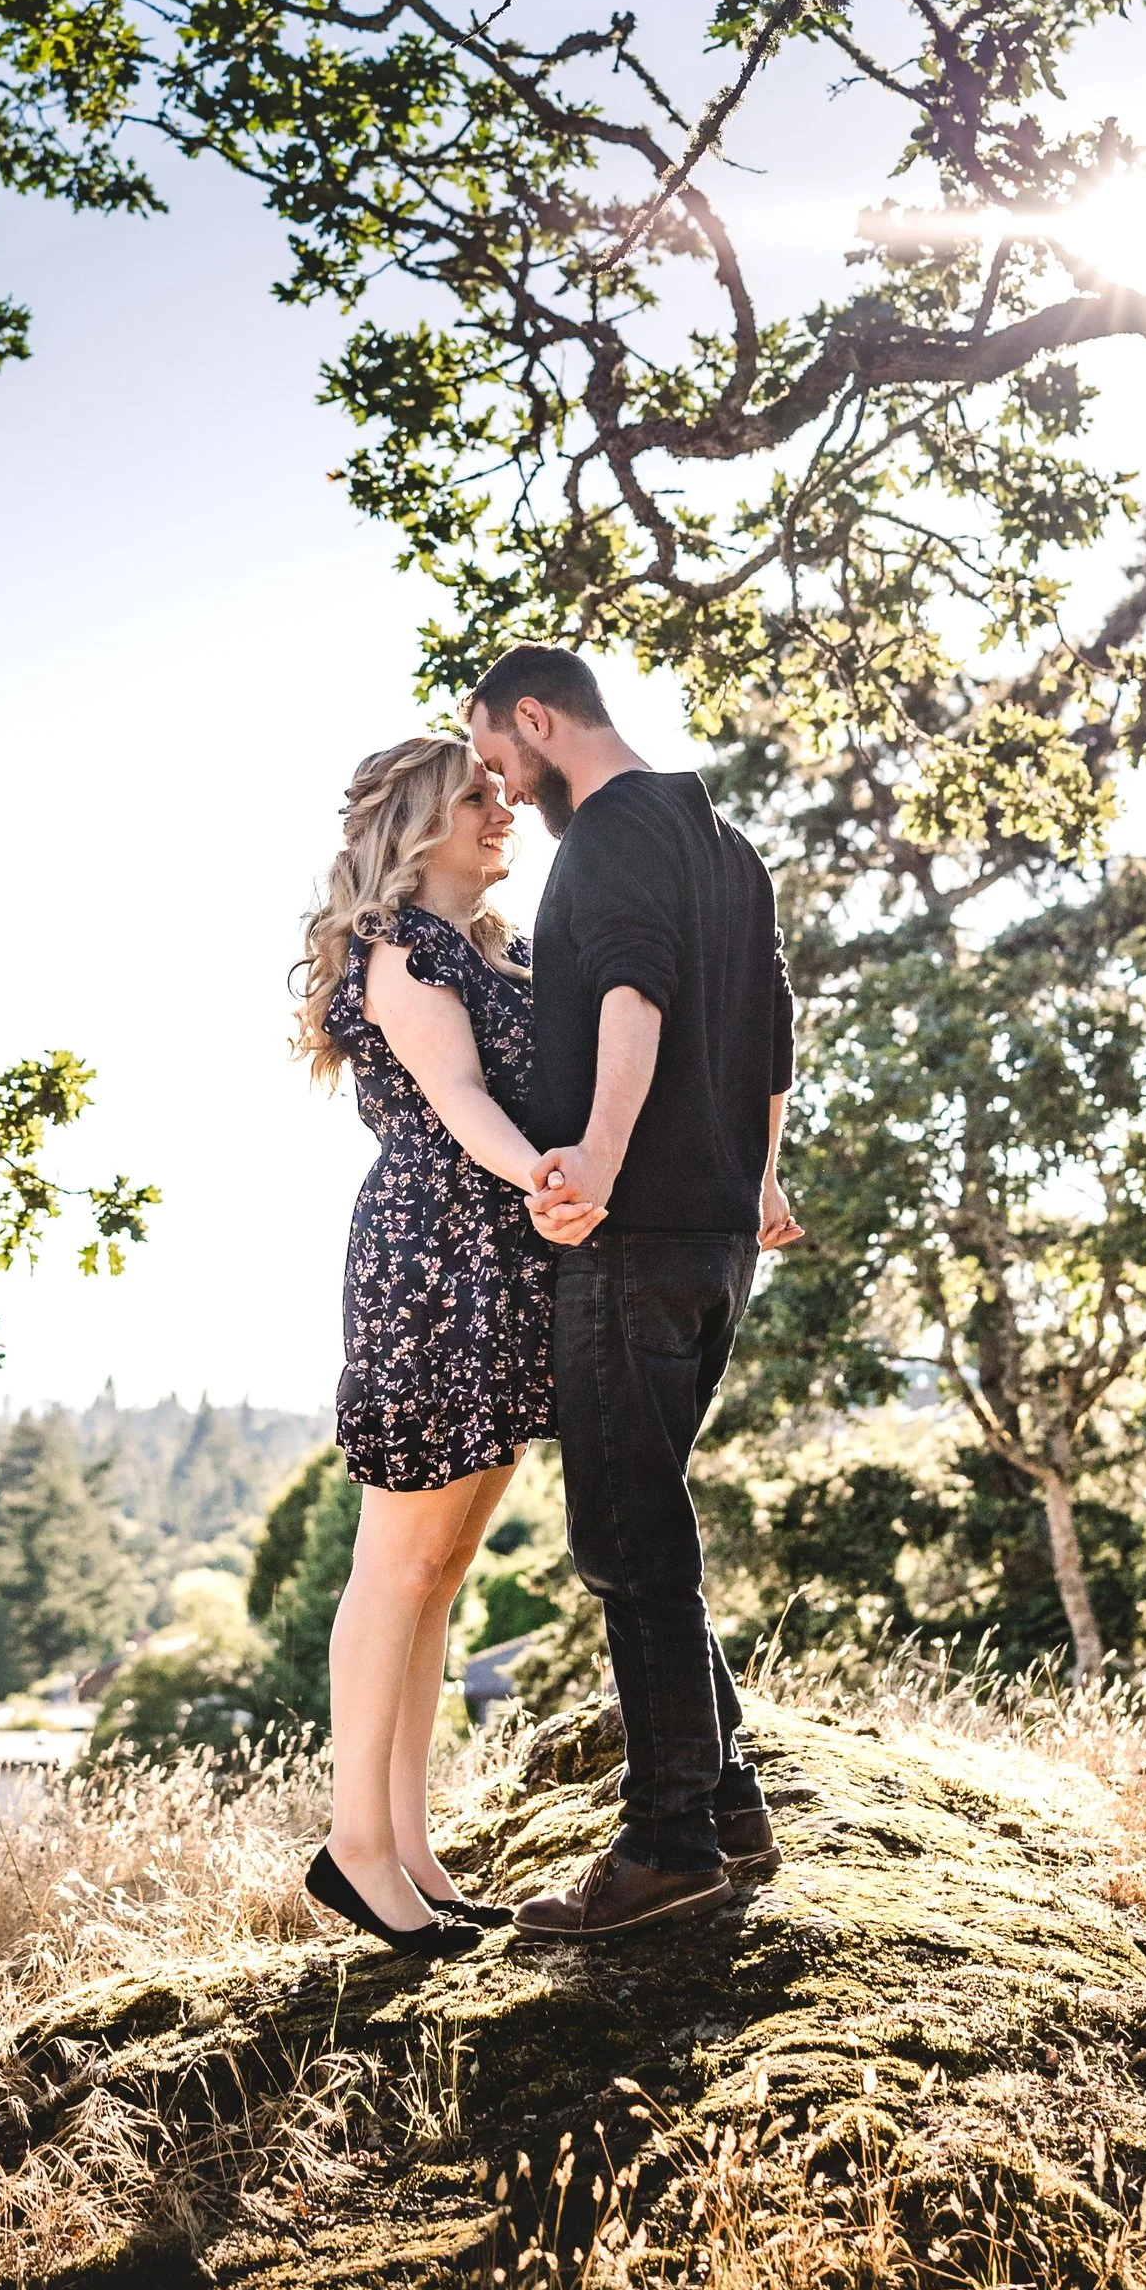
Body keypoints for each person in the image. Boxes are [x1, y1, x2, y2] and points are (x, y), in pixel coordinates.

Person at [466, 646, 802, 1941]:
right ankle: (732, 1804)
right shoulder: (729, 844)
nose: (500, 778)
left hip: (634, 1231)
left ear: (540, 719)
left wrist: (596, 1159)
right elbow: (773, 1029)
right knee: (647, 1520)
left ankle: (669, 1844)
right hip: (718, 1240)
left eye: (498, 751)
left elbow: (631, 990)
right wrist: (762, 1180)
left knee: (623, 1537)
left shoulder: (604, 837)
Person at [291, 733, 554, 1956]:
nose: (503, 810)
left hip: (500, 1267)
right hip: (431, 1266)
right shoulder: (405, 952)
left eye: (502, 793)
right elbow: (463, 1107)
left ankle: (408, 1844)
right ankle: (354, 1849)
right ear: (417, 827)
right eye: (478, 796)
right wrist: (563, 1183)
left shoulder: (506, 951)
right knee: (395, 1566)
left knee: (443, 1571)